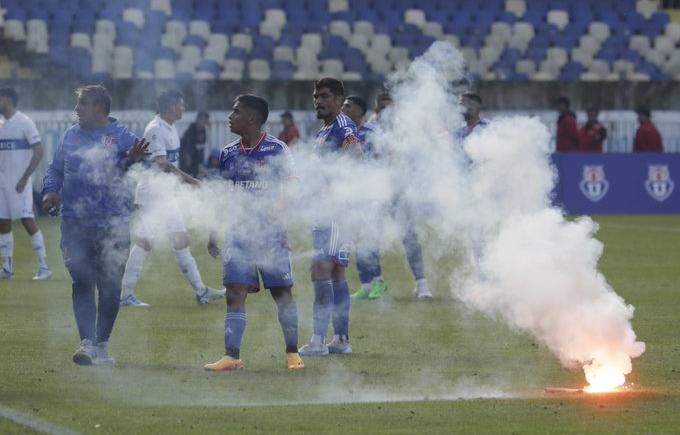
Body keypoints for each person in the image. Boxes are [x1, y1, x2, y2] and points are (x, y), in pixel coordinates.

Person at [41, 85, 149, 365]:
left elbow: (138, 172)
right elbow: (55, 169)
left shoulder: (125, 139)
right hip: (74, 224)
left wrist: (130, 162)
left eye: (83, 104)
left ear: (99, 108)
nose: (77, 109)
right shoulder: (70, 135)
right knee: (82, 281)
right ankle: (87, 342)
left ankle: (101, 344)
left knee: (110, 286)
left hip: (111, 225)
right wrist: (51, 190)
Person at [203, 94, 303, 371]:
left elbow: (293, 185)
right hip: (238, 234)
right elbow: (222, 195)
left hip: (271, 234)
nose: (229, 117)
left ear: (252, 119)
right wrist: (214, 231)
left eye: (235, 112)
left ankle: (293, 353)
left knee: (282, 293)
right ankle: (232, 357)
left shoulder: (277, 149)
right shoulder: (228, 153)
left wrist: (279, 206)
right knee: (234, 292)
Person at [120, 91, 224, 307]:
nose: (183, 109)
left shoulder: (170, 128)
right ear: (170, 107)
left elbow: (170, 164)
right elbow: (163, 164)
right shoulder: (155, 129)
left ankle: (201, 291)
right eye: (181, 105)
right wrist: (192, 181)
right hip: (152, 194)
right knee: (146, 243)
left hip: (164, 194)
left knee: (177, 241)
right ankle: (124, 295)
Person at [299, 78, 362, 356]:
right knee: (336, 274)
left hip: (335, 211)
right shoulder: (323, 131)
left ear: (339, 100)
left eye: (324, 96)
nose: (318, 101)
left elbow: (356, 154)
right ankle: (340, 340)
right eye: (315, 96)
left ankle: (317, 341)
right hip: (327, 211)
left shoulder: (343, 125)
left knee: (320, 270)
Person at [371, 92, 433, 300]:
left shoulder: (404, 130)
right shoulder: (370, 127)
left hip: (399, 191)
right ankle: (375, 282)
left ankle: (421, 283)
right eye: (382, 107)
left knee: (409, 237)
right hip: (374, 190)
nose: (387, 111)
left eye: (390, 107)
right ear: (377, 109)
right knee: (370, 239)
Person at [0, 87, 51, 280]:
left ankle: (44, 267)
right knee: (2, 222)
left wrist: (24, 178)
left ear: (7, 99)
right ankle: (7, 268)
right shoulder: (1, 124)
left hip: (19, 183)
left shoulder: (24, 122)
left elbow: (38, 151)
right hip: (2, 183)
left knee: (27, 220)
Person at [341, 95, 388, 300]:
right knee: (357, 240)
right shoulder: (342, 133)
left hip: (370, 192)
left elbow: (383, 160)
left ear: (360, 111)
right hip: (351, 193)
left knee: (369, 239)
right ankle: (366, 285)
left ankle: (378, 281)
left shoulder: (373, 133)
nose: (343, 109)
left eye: (347, 106)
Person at [179, 111, 209, 177]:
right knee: (185, 174)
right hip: (185, 156)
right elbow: (185, 146)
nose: (204, 123)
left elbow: (201, 148)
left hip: (196, 158)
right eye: (203, 121)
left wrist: (201, 164)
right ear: (198, 119)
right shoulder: (191, 130)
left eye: (205, 122)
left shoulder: (203, 132)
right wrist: (187, 157)